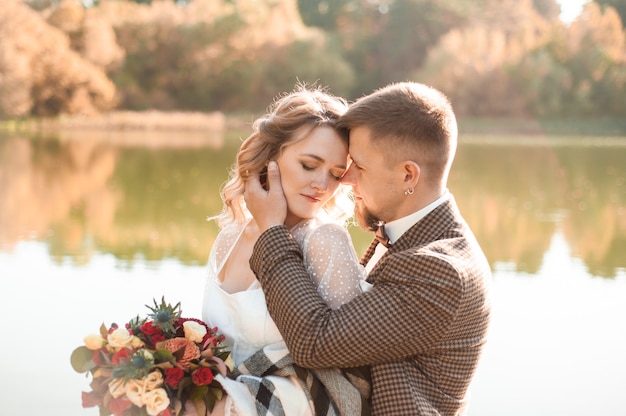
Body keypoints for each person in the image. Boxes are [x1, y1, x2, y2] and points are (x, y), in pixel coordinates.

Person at [244, 82, 492, 415]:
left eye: (358, 166)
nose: (344, 180)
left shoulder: (440, 270)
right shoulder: (408, 232)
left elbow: (314, 342)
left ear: (408, 175)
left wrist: (273, 230)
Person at [199, 85, 370, 416]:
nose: (323, 184)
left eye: (336, 174)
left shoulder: (325, 241)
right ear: (270, 157)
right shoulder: (229, 238)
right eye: (309, 165)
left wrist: (224, 405)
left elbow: (346, 378)